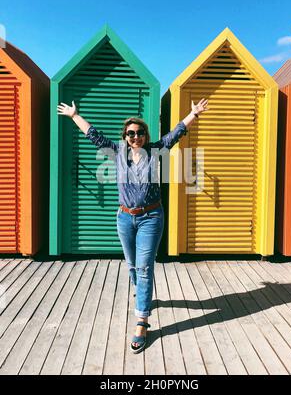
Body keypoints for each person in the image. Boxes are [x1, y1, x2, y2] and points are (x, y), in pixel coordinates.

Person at [57, 98, 209, 353]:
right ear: (125, 136)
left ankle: (142, 321)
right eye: (130, 133)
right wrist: (74, 116)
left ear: (145, 135)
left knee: (144, 266)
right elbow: (94, 136)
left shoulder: (156, 150)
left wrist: (193, 114)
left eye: (139, 133)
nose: (135, 136)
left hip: (151, 217)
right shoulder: (118, 153)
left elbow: (175, 134)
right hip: (125, 218)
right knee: (131, 265)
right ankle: (143, 296)